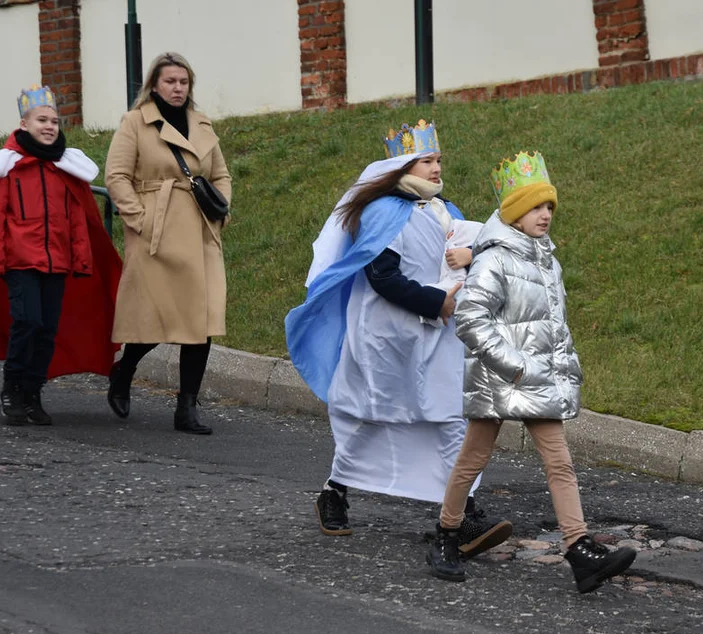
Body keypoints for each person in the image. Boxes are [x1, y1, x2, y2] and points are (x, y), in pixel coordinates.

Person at [285, 120, 511, 557]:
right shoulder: (382, 211)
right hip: (385, 335)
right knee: (371, 416)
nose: (436, 168)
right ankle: (335, 492)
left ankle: (463, 513)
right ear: (401, 167)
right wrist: (435, 301)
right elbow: (382, 276)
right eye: (427, 161)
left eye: (438, 160)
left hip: (437, 334)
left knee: (449, 418)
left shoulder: (445, 210)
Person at [425, 151, 637, 593]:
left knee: (560, 462)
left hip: (536, 378)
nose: (545, 215)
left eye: (549, 207)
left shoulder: (547, 262)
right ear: (515, 213)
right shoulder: (493, 260)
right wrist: (514, 366)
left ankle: (579, 549)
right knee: (473, 458)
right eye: (536, 207)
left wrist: (564, 368)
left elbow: (553, 327)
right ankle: (446, 535)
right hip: (501, 376)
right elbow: (469, 320)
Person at [0, 85, 122, 426]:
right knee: (27, 322)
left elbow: (79, 219)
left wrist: (81, 259)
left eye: (54, 121)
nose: (49, 126)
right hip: (20, 262)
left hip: (58, 263)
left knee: (48, 329)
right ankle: (13, 385)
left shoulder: (65, 167)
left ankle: (33, 393)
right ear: (24, 124)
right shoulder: (10, 167)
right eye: (41, 120)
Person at [103, 52, 231, 434]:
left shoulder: (201, 123)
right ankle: (123, 372)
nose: (178, 88)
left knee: (201, 320)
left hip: (200, 232)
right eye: (170, 81)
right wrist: (140, 221)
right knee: (157, 321)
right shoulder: (135, 122)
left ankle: (186, 407)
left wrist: (222, 210)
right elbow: (117, 177)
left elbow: (220, 174)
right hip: (156, 236)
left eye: (184, 82)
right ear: (154, 85)